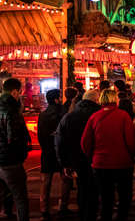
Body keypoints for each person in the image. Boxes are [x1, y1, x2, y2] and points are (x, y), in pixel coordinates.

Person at [81, 90, 135, 221]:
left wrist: (92, 156)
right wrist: (132, 155)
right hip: (122, 163)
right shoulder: (123, 116)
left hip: (100, 163)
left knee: (106, 197)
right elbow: (131, 141)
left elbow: (85, 142)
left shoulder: (95, 117)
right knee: (124, 196)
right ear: (115, 100)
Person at [55, 90, 101, 221]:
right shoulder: (99, 115)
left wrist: (64, 163)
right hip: (96, 158)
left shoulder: (69, 116)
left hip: (76, 159)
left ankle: (83, 214)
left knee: (82, 188)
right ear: (96, 101)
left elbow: (59, 141)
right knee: (94, 189)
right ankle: (91, 214)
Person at [37, 89, 73, 220]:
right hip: (62, 151)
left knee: (46, 181)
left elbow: (40, 135)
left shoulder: (43, 115)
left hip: (47, 151)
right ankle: (63, 206)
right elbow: (67, 134)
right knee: (66, 179)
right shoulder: (64, 113)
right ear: (57, 99)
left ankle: (44, 208)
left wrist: (46, 147)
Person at [0, 78, 31, 221]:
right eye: (19, 92)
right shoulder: (11, 110)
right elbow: (14, 138)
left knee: (4, 193)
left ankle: (6, 212)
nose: (20, 95)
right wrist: (22, 153)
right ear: (14, 92)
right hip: (10, 160)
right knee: (20, 198)